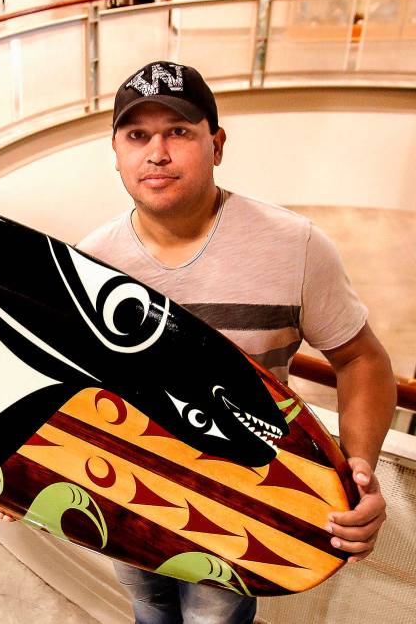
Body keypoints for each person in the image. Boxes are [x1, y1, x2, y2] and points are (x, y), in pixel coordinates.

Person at [79, 60, 396, 622]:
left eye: (179, 131)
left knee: (215, 619)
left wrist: (360, 466)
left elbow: (360, 358)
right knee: (148, 607)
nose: (157, 152)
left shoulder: (294, 247)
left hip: (247, 504)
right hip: (126, 496)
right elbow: (72, 384)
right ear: (117, 151)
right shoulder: (89, 263)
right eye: (137, 135)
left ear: (217, 144)